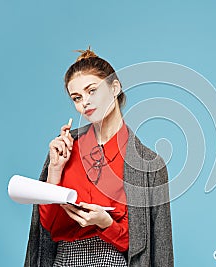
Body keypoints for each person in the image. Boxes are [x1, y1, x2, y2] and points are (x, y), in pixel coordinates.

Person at [24, 47, 174, 267]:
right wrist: (55, 170)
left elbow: (159, 246)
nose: (84, 101)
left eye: (92, 90)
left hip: (114, 261)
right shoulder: (64, 148)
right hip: (63, 260)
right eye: (77, 97)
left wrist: (107, 225)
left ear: (115, 88)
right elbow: (46, 227)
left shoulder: (150, 166)